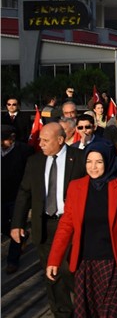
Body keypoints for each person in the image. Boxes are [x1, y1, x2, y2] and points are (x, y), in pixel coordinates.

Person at [46, 141, 117, 317]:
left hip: (115, 261)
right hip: (85, 261)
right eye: (89, 161)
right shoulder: (76, 187)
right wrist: (54, 260)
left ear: (108, 161)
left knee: (112, 311)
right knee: (90, 311)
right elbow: (66, 225)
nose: (93, 167)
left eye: (99, 162)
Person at [11, 122, 86, 317]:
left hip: (70, 224)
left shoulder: (79, 159)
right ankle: (62, 312)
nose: (40, 143)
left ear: (60, 140)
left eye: (45, 140)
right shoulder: (34, 161)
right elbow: (24, 192)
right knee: (51, 273)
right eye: (40, 139)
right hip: (43, 225)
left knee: (69, 269)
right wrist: (17, 224)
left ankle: (86, 305)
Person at [1, 125, 34, 274]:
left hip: (18, 196)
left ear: (12, 138)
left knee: (16, 225)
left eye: (4, 140)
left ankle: (12, 260)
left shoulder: (24, 151)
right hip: (2, 195)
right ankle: (23, 235)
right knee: (3, 224)